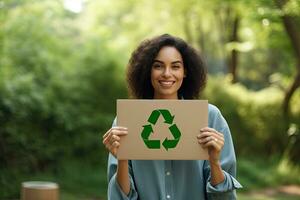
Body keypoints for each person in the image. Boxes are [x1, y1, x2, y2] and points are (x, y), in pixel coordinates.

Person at [102, 34, 242, 200]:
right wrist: (123, 159)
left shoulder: (209, 117)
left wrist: (214, 161)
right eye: (158, 66)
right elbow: (120, 197)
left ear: (185, 72)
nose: (167, 74)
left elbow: (225, 198)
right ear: (148, 70)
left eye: (175, 67)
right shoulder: (127, 119)